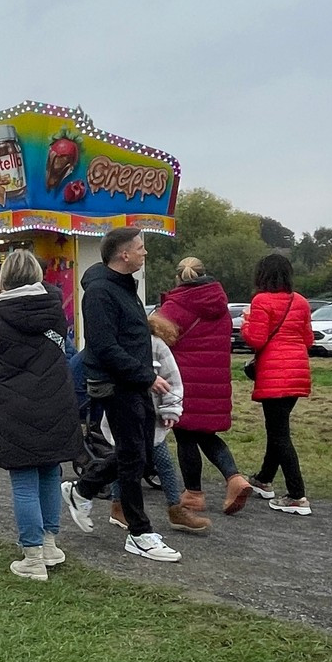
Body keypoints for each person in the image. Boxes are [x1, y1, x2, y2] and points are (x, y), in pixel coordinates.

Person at [60, 228, 182, 563]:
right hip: (117, 386)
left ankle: (82, 489)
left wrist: (146, 376)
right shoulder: (100, 293)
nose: (145, 253)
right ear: (123, 254)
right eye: (140, 248)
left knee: (140, 452)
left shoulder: (126, 286)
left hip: (135, 383)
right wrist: (147, 376)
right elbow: (103, 345)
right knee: (132, 458)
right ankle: (139, 533)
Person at [0, 250, 81, 581]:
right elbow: (63, 352)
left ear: (5, 278)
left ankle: (32, 556)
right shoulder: (56, 314)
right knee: (50, 471)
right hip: (56, 400)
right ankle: (50, 544)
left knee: (23, 479)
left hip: (14, 405)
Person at [153, 258, 250, 515]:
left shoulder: (176, 306)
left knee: (185, 434)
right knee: (206, 434)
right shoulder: (220, 304)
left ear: (178, 278)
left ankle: (194, 494)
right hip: (215, 379)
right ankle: (234, 478)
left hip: (184, 379)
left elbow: (158, 338)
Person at [105, 315, 210, 534]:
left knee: (163, 462)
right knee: (121, 461)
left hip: (151, 419)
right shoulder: (116, 346)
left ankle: (175, 507)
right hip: (122, 413)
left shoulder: (156, 345)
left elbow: (172, 379)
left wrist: (170, 409)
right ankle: (118, 505)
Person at [242, 253, 315, 515]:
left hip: (274, 371)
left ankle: (297, 494)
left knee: (279, 434)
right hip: (297, 370)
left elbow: (256, 339)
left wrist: (246, 323)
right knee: (277, 429)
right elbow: (308, 340)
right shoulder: (301, 301)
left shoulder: (261, 301)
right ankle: (264, 478)